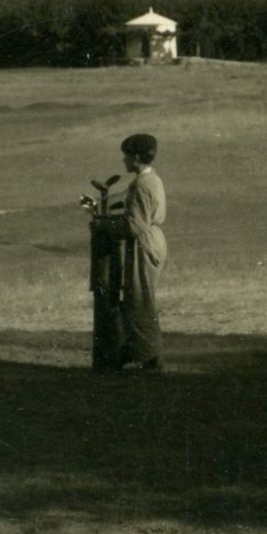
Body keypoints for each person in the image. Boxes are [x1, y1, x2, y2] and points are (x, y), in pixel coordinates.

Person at [108, 133, 168, 371]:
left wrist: (105, 224)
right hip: (150, 240)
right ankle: (135, 352)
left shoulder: (142, 184)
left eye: (126, 157)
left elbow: (135, 226)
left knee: (140, 300)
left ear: (135, 158)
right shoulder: (153, 179)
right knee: (138, 298)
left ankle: (151, 359)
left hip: (144, 243)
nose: (123, 161)